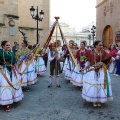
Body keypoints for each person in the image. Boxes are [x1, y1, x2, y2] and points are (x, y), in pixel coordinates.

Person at [82, 40, 113, 107]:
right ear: (96, 45)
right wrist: (84, 68)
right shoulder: (91, 53)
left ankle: (99, 100)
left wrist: (109, 56)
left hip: (102, 71)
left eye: (102, 45)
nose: (101, 46)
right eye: (100, 45)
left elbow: (110, 58)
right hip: (93, 71)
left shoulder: (104, 52)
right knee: (94, 85)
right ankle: (94, 100)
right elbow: (89, 62)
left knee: (100, 85)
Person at [0, 40, 23, 111]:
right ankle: (7, 103)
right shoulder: (0, 53)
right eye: (7, 45)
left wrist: (19, 72)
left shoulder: (11, 53)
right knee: (5, 86)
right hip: (3, 71)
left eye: (9, 45)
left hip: (12, 71)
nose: (8, 46)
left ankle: (11, 99)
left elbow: (14, 63)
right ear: (3, 46)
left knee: (12, 85)